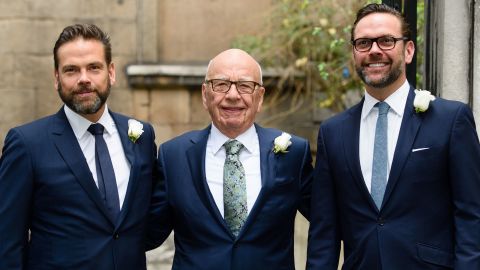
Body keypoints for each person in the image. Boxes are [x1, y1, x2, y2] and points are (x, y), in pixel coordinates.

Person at [307, 3, 480, 270]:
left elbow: (471, 217)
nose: (374, 50)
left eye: (386, 40)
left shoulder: (451, 120)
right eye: (363, 43)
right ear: (354, 53)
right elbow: (324, 234)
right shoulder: (333, 133)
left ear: (408, 50)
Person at [0, 24, 157, 269]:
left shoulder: (141, 136)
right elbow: (7, 241)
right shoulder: (27, 144)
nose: (84, 79)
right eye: (71, 70)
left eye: (94, 68)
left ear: (111, 72)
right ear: (57, 78)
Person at [147, 48, 313, 269]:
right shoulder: (173, 156)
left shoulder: (294, 153)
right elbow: (148, 233)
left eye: (245, 85)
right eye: (221, 84)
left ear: (260, 97)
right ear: (205, 95)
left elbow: (327, 222)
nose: (233, 95)